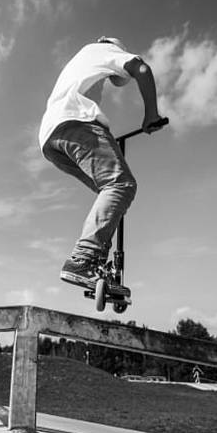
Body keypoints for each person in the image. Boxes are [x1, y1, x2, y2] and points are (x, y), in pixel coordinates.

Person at [39, 36, 166, 289]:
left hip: (51, 138)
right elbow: (141, 68)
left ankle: (98, 265)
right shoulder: (105, 50)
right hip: (78, 124)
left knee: (109, 193)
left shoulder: (81, 60)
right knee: (121, 185)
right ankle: (84, 260)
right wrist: (151, 114)